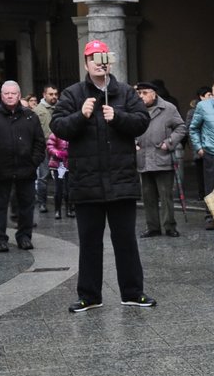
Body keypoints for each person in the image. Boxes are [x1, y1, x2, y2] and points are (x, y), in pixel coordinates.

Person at [50, 40, 155, 313]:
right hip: (87, 182)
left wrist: (118, 116)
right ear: (86, 63)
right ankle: (89, 295)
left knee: (126, 241)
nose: (99, 62)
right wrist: (81, 116)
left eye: (103, 57)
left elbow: (142, 122)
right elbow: (58, 127)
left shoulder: (124, 93)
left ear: (110, 61)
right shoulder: (72, 94)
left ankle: (132, 292)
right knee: (89, 242)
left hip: (121, 181)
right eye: (93, 58)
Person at [0, 80, 43, 252]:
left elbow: (39, 143)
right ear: (1, 95)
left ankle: (24, 237)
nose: (10, 96)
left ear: (19, 95)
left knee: (26, 206)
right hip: (1, 170)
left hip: (26, 169)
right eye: (6, 93)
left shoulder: (31, 116)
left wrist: (33, 162)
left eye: (13, 93)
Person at [134, 81, 186, 238]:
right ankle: (153, 227)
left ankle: (169, 226)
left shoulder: (168, 108)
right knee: (148, 196)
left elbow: (181, 127)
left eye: (144, 93)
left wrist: (169, 143)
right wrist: (133, 142)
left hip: (162, 157)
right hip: (143, 157)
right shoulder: (135, 109)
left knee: (166, 196)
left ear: (154, 93)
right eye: (139, 93)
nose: (141, 96)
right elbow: (127, 127)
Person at [189, 78, 214, 227]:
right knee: (211, 186)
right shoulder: (203, 106)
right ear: (212, 91)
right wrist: (199, 147)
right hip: (211, 151)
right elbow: (193, 128)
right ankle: (210, 217)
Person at [33, 84, 58, 212]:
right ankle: (42, 202)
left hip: (60, 148)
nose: (54, 97)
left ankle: (63, 204)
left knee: (61, 176)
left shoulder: (60, 108)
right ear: (44, 95)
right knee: (43, 177)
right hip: (45, 147)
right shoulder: (38, 111)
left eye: (55, 94)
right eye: (51, 94)